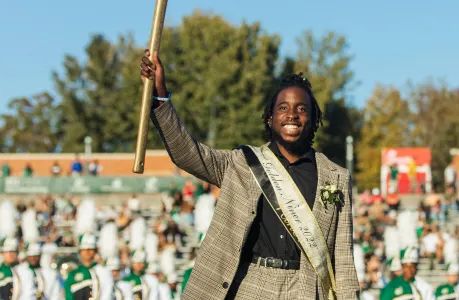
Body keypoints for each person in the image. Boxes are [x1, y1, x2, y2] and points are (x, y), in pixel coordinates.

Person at [141, 50, 357, 299]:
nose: (292, 115)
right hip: (249, 283)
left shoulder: (336, 177)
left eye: (301, 109)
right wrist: (160, 95)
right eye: (283, 107)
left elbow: (343, 260)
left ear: (313, 118)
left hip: (306, 288)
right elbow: (188, 154)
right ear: (270, 118)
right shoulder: (242, 163)